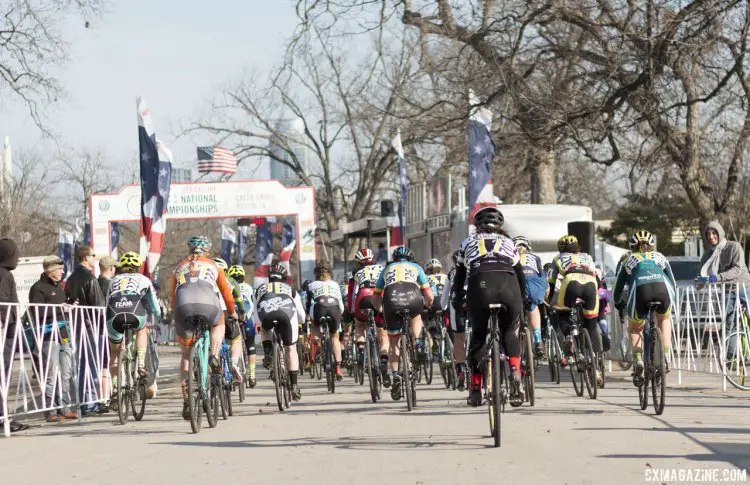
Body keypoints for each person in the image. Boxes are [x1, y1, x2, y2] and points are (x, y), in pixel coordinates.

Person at [453, 207, 526, 407]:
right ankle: (515, 371)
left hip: (480, 284)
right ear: (500, 226)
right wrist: (524, 299)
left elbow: (459, 276)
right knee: (509, 331)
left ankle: (476, 388)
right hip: (508, 285)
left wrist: (457, 298)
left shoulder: (467, 242)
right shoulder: (509, 242)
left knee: (477, 334)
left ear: (477, 226)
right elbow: (520, 274)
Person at [170, 236, 237, 420]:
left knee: (185, 355)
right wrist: (231, 312)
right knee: (219, 323)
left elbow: (172, 297)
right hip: (208, 304)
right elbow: (225, 292)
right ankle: (214, 355)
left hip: (183, 306)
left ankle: (186, 400)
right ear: (207, 251)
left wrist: (174, 311)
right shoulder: (214, 266)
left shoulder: (179, 267)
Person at [613, 231, 676, 383]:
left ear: (632, 246)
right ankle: (665, 356)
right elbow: (672, 282)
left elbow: (618, 287)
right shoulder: (660, 256)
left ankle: (639, 360)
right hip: (662, 291)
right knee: (664, 319)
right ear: (652, 246)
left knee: (635, 328)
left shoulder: (629, 259)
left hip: (641, 291)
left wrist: (617, 302)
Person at [372, 246, 433, 401]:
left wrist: (380, 310)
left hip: (391, 299)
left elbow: (376, 297)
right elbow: (429, 295)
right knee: (416, 315)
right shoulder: (416, 267)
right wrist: (427, 305)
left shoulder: (386, 269)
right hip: (412, 295)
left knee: (393, 341)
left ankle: (395, 375)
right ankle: (418, 342)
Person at [105, 252, 161, 411]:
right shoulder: (144, 279)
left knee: (115, 353)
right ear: (137, 267)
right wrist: (158, 316)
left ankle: (115, 390)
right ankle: (142, 363)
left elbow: (107, 301)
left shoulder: (113, 280)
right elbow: (154, 306)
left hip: (114, 314)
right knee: (142, 328)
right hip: (135, 312)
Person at [547, 235, 603, 385]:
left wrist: (551, 299)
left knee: (562, 310)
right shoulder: (587, 257)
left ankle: (569, 337)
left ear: (561, 249)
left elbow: (551, 281)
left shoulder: (558, 258)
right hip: (591, 285)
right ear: (578, 247)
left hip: (571, 282)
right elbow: (597, 277)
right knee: (591, 325)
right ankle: (596, 369)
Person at [27, 256, 76, 422]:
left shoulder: (60, 288)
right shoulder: (38, 288)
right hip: (48, 336)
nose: (63, 272)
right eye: (60, 269)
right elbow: (38, 313)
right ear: (51, 270)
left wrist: (70, 307)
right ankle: (51, 410)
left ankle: (65, 407)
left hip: (63, 335)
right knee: (51, 374)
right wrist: (59, 309)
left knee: (65, 373)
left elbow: (62, 309)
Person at [696, 221, 750, 364]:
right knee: (729, 323)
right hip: (726, 290)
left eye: (714, 233)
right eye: (708, 234)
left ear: (720, 233)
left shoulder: (734, 247)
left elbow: (737, 269)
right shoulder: (708, 254)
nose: (711, 237)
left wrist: (717, 277)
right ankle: (731, 356)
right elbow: (702, 272)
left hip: (744, 286)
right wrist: (700, 282)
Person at [255, 264, 306, 400]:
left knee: (265, 328)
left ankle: (268, 354)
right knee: (291, 348)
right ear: (284, 278)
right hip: (287, 313)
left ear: (269, 278)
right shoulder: (291, 289)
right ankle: (294, 385)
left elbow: (256, 312)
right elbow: (300, 314)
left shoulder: (260, 289)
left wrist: (261, 326)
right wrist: (300, 323)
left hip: (267, 313)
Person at [65, 245, 106, 414]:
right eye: (93, 255)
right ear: (85, 257)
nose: (94, 258)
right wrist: (102, 326)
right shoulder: (89, 278)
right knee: (91, 364)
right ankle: (89, 403)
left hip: (76, 325)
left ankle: (86, 401)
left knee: (83, 364)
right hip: (90, 326)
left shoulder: (71, 278)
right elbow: (98, 304)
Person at [0, 238, 28, 432]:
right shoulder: (2, 275)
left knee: (5, 376)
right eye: (15, 255)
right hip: (5, 332)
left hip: (8, 330)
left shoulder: (5, 273)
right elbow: (3, 303)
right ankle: (3, 418)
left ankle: (4, 416)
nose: (18, 259)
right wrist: (6, 325)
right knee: (2, 376)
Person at [349, 248, 385, 383]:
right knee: (381, 330)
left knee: (359, 324)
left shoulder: (356, 273)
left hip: (363, 298)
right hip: (378, 298)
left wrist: (353, 311)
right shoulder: (381, 268)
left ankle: (361, 348)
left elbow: (353, 294)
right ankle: (383, 358)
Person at [212, 258, 248, 385]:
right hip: (226, 314)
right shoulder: (230, 281)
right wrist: (242, 316)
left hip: (208, 314)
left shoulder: (206, 280)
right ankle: (233, 362)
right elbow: (241, 304)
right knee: (236, 340)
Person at [308, 262, 345, 380]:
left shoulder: (312, 285)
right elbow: (341, 304)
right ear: (330, 273)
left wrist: (308, 316)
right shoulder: (335, 284)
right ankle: (338, 368)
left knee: (314, 327)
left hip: (319, 308)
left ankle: (318, 345)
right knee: (335, 338)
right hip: (335, 309)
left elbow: (309, 305)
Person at [513, 236, 546, 357]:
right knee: (533, 307)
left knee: (513, 311)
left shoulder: (510, 256)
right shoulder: (535, 257)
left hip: (516, 284)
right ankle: (537, 339)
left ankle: (514, 342)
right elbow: (542, 275)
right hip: (534, 284)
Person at [441, 250, 468, 390]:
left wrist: (443, 308)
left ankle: (461, 369)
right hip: (474, 302)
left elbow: (444, 299)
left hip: (457, 304)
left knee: (458, 338)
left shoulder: (451, 273)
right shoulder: (475, 268)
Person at [228, 264, 258, 388]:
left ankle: (230, 368)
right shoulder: (249, 287)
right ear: (243, 277)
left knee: (231, 343)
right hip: (246, 317)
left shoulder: (228, 285)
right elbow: (254, 304)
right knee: (250, 346)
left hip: (232, 316)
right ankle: (252, 376)